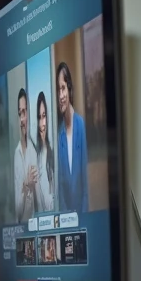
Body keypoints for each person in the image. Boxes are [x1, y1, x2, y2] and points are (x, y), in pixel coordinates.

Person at [56, 61, 89, 214]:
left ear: (69, 88)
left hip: (82, 215)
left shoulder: (80, 125)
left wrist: (82, 217)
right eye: (57, 90)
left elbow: (85, 182)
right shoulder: (58, 135)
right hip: (66, 218)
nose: (61, 96)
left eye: (62, 88)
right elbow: (61, 188)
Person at [14, 88, 38, 223]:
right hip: (21, 229)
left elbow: (39, 203)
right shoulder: (16, 155)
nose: (22, 119)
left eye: (24, 112)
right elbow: (17, 211)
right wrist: (25, 185)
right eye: (19, 113)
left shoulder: (34, 152)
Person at [34, 92, 56, 213]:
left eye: (44, 116)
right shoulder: (35, 156)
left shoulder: (52, 153)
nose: (42, 124)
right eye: (39, 118)